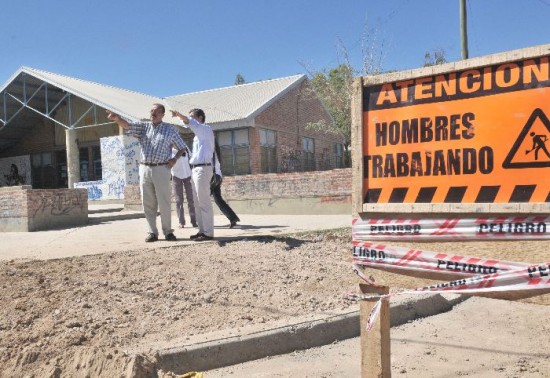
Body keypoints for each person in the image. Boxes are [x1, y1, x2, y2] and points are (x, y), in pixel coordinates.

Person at [106, 103, 187, 242]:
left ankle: (168, 232)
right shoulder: (144, 127)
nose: (152, 114)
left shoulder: (170, 130)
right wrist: (117, 119)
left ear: (162, 114)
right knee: (148, 202)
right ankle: (152, 232)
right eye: (151, 111)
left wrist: (174, 159)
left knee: (164, 202)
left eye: (155, 112)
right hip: (144, 169)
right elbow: (128, 126)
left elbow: (182, 147)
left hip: (162, 168)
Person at [170, 108, 215, 241]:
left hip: (203, 168)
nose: (190, 120)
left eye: (193, 117)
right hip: (195, 169)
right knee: (197, 203)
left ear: (200, 118)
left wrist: (179, 114)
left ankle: (208, 232)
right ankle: (202, 230)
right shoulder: (198, 135)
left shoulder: (205, 129)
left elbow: (190, 123)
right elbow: (189, 124)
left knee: (204, 202)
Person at [211, 140, 240, 228]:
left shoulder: (210, 152)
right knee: (218, 200)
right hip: (217, 176)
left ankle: (204, 224)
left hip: (212, 177)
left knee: (202, 201)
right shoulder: (216, 151)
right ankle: (233, 218)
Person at [171, 145, 198, 228]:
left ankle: (194, 221)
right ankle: (181, 222)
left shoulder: (186, 148)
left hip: (188, 175)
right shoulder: (169, 151)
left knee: (191, 199)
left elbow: (192, 158)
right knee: (179, 200)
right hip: (176, 176)